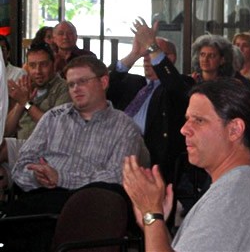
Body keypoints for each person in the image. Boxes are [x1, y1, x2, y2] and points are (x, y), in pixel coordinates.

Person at [122, 78, 250, 252]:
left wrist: (152, 215)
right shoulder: (239, 185)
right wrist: (155, 225)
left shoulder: (233, 196)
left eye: (199, 120)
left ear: (234, 130)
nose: (184, 129)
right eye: (187, 119)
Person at [3, 55, 144, 251]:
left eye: (82, 82)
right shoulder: (53, 118)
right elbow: (21, 166)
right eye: (70, 85)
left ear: (103, 82)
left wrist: (61, 178)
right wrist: (37, 175)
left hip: (91, 208)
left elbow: (116, 177)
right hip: (42, 199)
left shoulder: (125, 127)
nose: (75, 89)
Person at [107, 17, 193, 183]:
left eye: (152, 52)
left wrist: (152, 46)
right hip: (110, 147)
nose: (147, 57)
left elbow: (175, 88)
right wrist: (134, 54)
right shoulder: (132, 83)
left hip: (149, 158)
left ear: (171, 58)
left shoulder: (181, 84)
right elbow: (102, 85)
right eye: (146, 54)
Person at [5, 43, 70, 140]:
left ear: (53, 64)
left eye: (43, 65)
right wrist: (20, 104)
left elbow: (54, 127)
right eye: (32, 65)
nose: (38, 71)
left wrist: (26, 103)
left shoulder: (64, 87)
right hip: (22, 145)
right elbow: (6, 131)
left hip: (48, 146)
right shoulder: (25, 87)